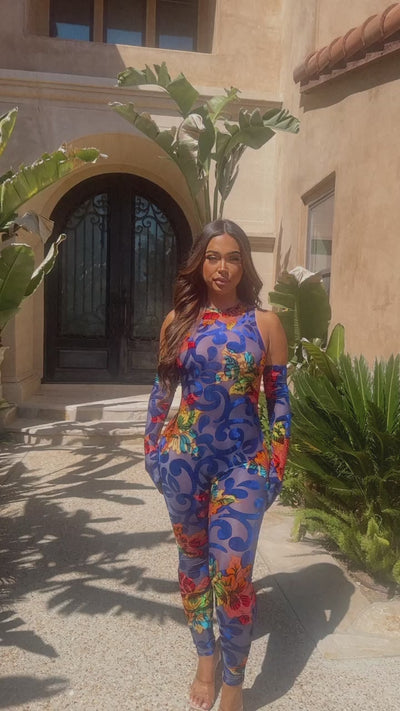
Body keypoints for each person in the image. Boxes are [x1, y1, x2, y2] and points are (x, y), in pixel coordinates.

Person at [144, 219, 291, 711]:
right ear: (200, 263)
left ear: (244, 264)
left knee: (232, 572)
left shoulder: (265, 324)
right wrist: (152, 451)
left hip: (243, 464)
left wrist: (275, 469)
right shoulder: (178, 321)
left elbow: (280, 404)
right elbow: (161, 393)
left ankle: (234, 683)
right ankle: (205, 658)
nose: (222, 267)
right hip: (184, 461)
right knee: (193, 561)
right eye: (212, 257)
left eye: (232, 257)